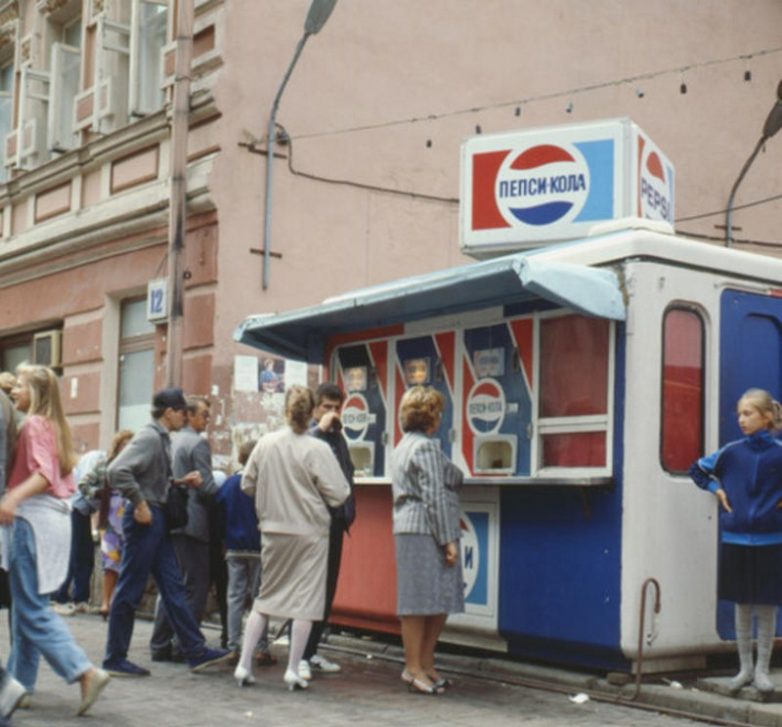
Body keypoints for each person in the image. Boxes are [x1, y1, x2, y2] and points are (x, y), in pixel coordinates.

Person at [0, 364, 109, 716]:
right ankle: (20, 687)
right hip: (52, 523)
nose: (13, 391)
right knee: (26, 608)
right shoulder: (53, 425)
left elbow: (44, 475)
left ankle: (83, 670)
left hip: (32, 522)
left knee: (30, 610)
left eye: (20, 386)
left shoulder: (32, 424)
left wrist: (12, 499)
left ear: (37, 391)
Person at [102, 387, 230, 677]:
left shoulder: (161, 438)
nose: (185, 416)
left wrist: (179, 481)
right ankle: (114, 657)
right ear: (169, 412)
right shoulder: (149, 437)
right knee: (131, 588)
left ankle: (195, 650)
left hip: (156, 518)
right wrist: (139, 502)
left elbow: (151, 478)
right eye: (183, 411)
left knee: (173, 587)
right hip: (146, 519)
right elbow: (116, 471)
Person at [234, 385, 350, 691]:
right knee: (306, 603)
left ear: (285, 409)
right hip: (310, 533)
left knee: (265, 599)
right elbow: (339, 494)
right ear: (311, 411)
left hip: (272, 530)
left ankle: (244, 664)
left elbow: (247, 484)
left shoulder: (266, 443)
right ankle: (294, 668)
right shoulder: (317, 448)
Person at [690, 388, 782, 694]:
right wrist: (717, 490)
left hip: (772, 540)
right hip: (736, 539)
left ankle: (762, 671)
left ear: (766, 417)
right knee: (742, 606)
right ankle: (744, 670)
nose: (741, 420)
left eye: (748, 414)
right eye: (739, 414)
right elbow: (698, 470)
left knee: (767, 606)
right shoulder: (731, 452)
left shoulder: (779, 454)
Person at [391, 385, 464, 696]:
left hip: (409, 527)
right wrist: (448, 539)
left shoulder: (405, 446)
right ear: (432, 417)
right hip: (427, 529)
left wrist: (443, 465)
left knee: (425, 599)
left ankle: (424, 665)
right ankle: (415, 666)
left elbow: (453, 476)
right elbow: (435, 494)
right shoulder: (427, 449)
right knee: (425, 601)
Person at [150, 396, 220, 662]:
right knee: (195, 586)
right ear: (189, 415)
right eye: (204, 415)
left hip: (171, 519)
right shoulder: (198, 443)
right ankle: (185, 644)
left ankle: (160, 643)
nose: (207, 420)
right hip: (192, 521)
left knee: (172, 585)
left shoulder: (172, 439)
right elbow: (207, 487)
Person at [298, 383, 356, 680]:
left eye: (337, 408)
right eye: (327, 407)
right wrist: (320, 428)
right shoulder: (309, 435)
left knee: (327, 589)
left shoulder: (338, 438)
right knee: (310, 589)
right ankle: (300, 655)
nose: (333, 413)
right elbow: (301, 458)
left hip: (334, 523)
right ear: (314, 408)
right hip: (312, 524)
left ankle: (312, 649)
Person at [215, 439, 275, 666]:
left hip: (234, 547)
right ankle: (261, 647)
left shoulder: (229, 484)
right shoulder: (262, 485)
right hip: (259, 547)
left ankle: (233, 646)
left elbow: (219, 514)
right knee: (260, 599)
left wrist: (224, 540)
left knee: (235, 597)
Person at [78, 431, 134, 620]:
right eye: (123, 444)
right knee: (110, 562)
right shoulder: (106, 464)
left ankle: (119, 604)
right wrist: (98, 494)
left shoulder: (138, 465)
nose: (126, 448)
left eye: (130, 445)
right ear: (117, 447)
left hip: (132, 519)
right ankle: (105, 603)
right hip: (110, 520)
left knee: (129, 563)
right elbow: (83, 484)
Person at [51, 449, 104, 616]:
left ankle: (80, 599)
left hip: (83, 511)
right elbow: (84, 484)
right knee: (72, 554)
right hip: (74, 507)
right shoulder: (97, 457)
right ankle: (59, 597)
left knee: (85, 554)